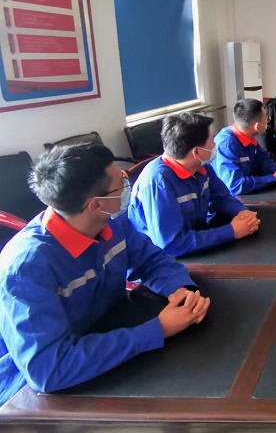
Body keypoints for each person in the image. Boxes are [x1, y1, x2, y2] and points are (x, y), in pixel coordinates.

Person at [0, 143, 210, 403]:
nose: (125, 185)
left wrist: (179, 290)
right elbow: (49, 370)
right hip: (41, 390)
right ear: (96, 205)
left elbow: (153, 260)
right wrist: (158, 330)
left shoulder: (112, 224)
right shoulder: (25, 269)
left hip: (111, 337)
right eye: (120, 182)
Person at [128, 112, 260, 257]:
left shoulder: (200, 166)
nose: (215, 145)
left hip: (196, 239)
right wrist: (232, 231)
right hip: (162, 258)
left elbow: (222, 197)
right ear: (197, 152)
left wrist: (242, 213)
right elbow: (172, 244)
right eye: (212, 141)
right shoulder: (159, 183)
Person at [213, 99, 276, 195]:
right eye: (265, 119)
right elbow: (235, 185)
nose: (267, 122)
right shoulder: (227, 144)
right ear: (257, 126)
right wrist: (274, 178)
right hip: (229, 198)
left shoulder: (248, 136)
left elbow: (263, 160)